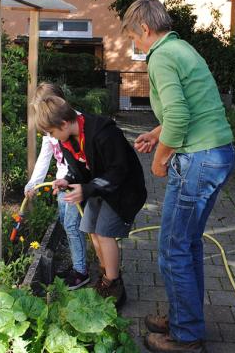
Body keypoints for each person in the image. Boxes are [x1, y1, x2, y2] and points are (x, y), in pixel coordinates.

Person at [122, 0, 235, 353]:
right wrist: (158, 134)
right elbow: (192, 106)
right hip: (217, 153)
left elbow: (181, 117)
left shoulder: (161, 57)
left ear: (144, 27)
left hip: (198, 160)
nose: (134, 45)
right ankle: (185, 317)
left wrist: (159, 159)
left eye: (133, 37)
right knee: (187, 245)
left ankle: (186, 336)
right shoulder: (181, 48)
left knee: (172, 248)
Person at [34, 95, 147, 308]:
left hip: (122, 189)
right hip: (97, 188)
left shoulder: (104, 133)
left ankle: (113, 284)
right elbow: (77, 170)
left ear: (64, 123)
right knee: (91, 229)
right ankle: (106, 275)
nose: (51, 136)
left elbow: (119, 170)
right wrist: (67, 180)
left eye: (51, 131)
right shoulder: (65, 140)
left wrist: (86, 189)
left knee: (104, 233)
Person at [24, 83, 90, 290]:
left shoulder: (73, 122)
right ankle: (78, 263)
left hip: (76, 181)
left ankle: (81, 271)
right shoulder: (50, 132)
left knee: (71, 225)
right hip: (61, 181)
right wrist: (33, 183)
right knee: (65, 222)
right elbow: (45, 158)